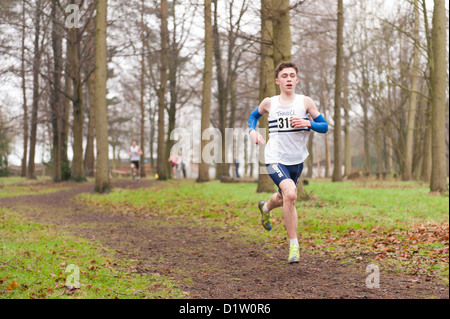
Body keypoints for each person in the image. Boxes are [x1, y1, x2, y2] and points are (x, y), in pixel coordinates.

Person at [248, 61, 328, 264]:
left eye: (292, 75)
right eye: (285, 76)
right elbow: (253, 116)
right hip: (275, 158)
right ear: (278, 81)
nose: (289, 79)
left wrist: (308, 122)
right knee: (291, 194)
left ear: (297, 80)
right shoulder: (270, 102)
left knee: (285, 197)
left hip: (297, 161)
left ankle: (266, 208)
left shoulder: (305, 102)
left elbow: (324, 126)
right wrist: (252, 131)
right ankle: (294, 245)